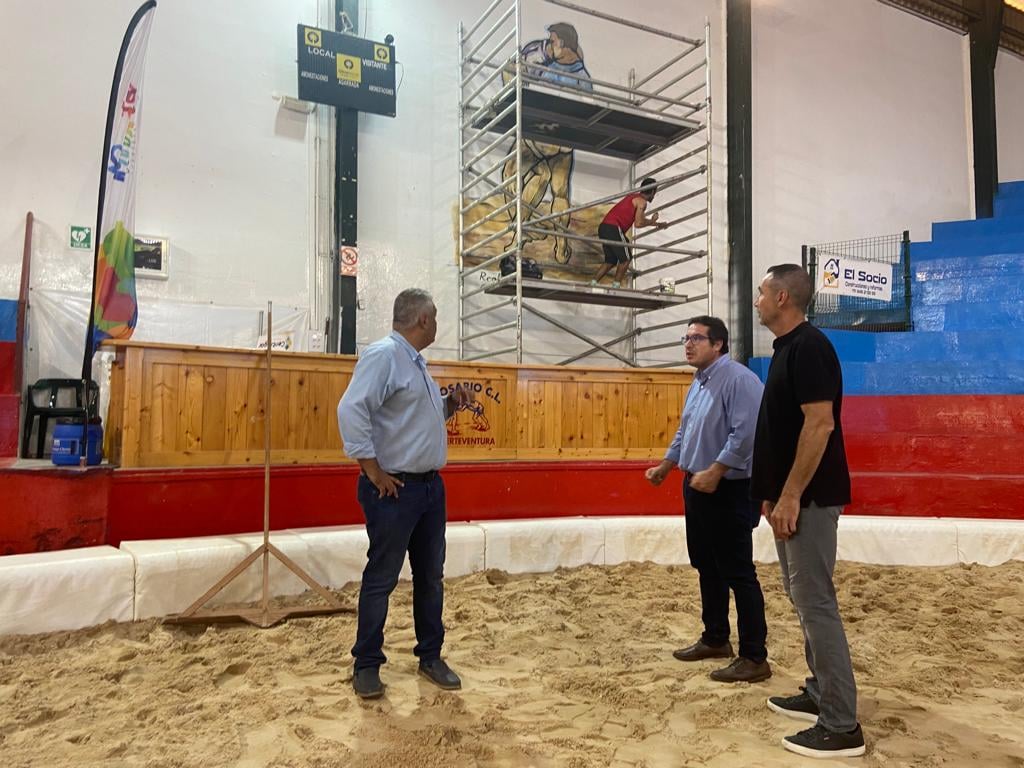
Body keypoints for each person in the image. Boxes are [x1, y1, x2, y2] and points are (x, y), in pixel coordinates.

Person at [751, 264, 866, 758]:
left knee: (816, 603)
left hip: (811, 499)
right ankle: (820, 691)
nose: (756, 300)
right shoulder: (787, 349)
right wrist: (773, 492)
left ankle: (841, 724)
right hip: (791, 497)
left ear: (782, 298)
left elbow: (820, 425)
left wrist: (792, 494)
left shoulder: (811, 347)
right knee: (802, 598)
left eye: (761, 292)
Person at [337, 288, 472, 700]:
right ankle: (366, 664)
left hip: (428, 488)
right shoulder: (384, 355)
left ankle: (430, 656)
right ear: (423, 320)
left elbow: (411, 419)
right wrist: (372, 470)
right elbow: (351, 410)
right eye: (436, 316)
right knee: (382, 578)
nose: (437, 323)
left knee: (430, 576)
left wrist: (449, 405)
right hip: (394, 489)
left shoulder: (413, 362)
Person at [645, 316, 770, 684]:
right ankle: (716, 638)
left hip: (728, 487)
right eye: (685, 338)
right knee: (706, 564)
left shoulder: (740, 380)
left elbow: (746, 434)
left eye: (696, 338)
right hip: (697, 484)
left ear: (718, 344)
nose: (688, 344)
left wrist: (717, 470)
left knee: (738, 572)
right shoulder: (699, 381)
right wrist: (667, 465)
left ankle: (754, 656)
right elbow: (686, 430)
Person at [592, 178, 668, 288]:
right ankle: (616, 286)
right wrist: (652, 221)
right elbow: (638, 223)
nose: (654, 196)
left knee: (611, 261)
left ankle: (592, 283)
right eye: (655, 192)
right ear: (652, 191)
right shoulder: (642, 202)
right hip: (613, 228)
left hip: (604, 228)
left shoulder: (632, 196)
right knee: (626, 258)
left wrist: (656, 223)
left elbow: (640, 219)